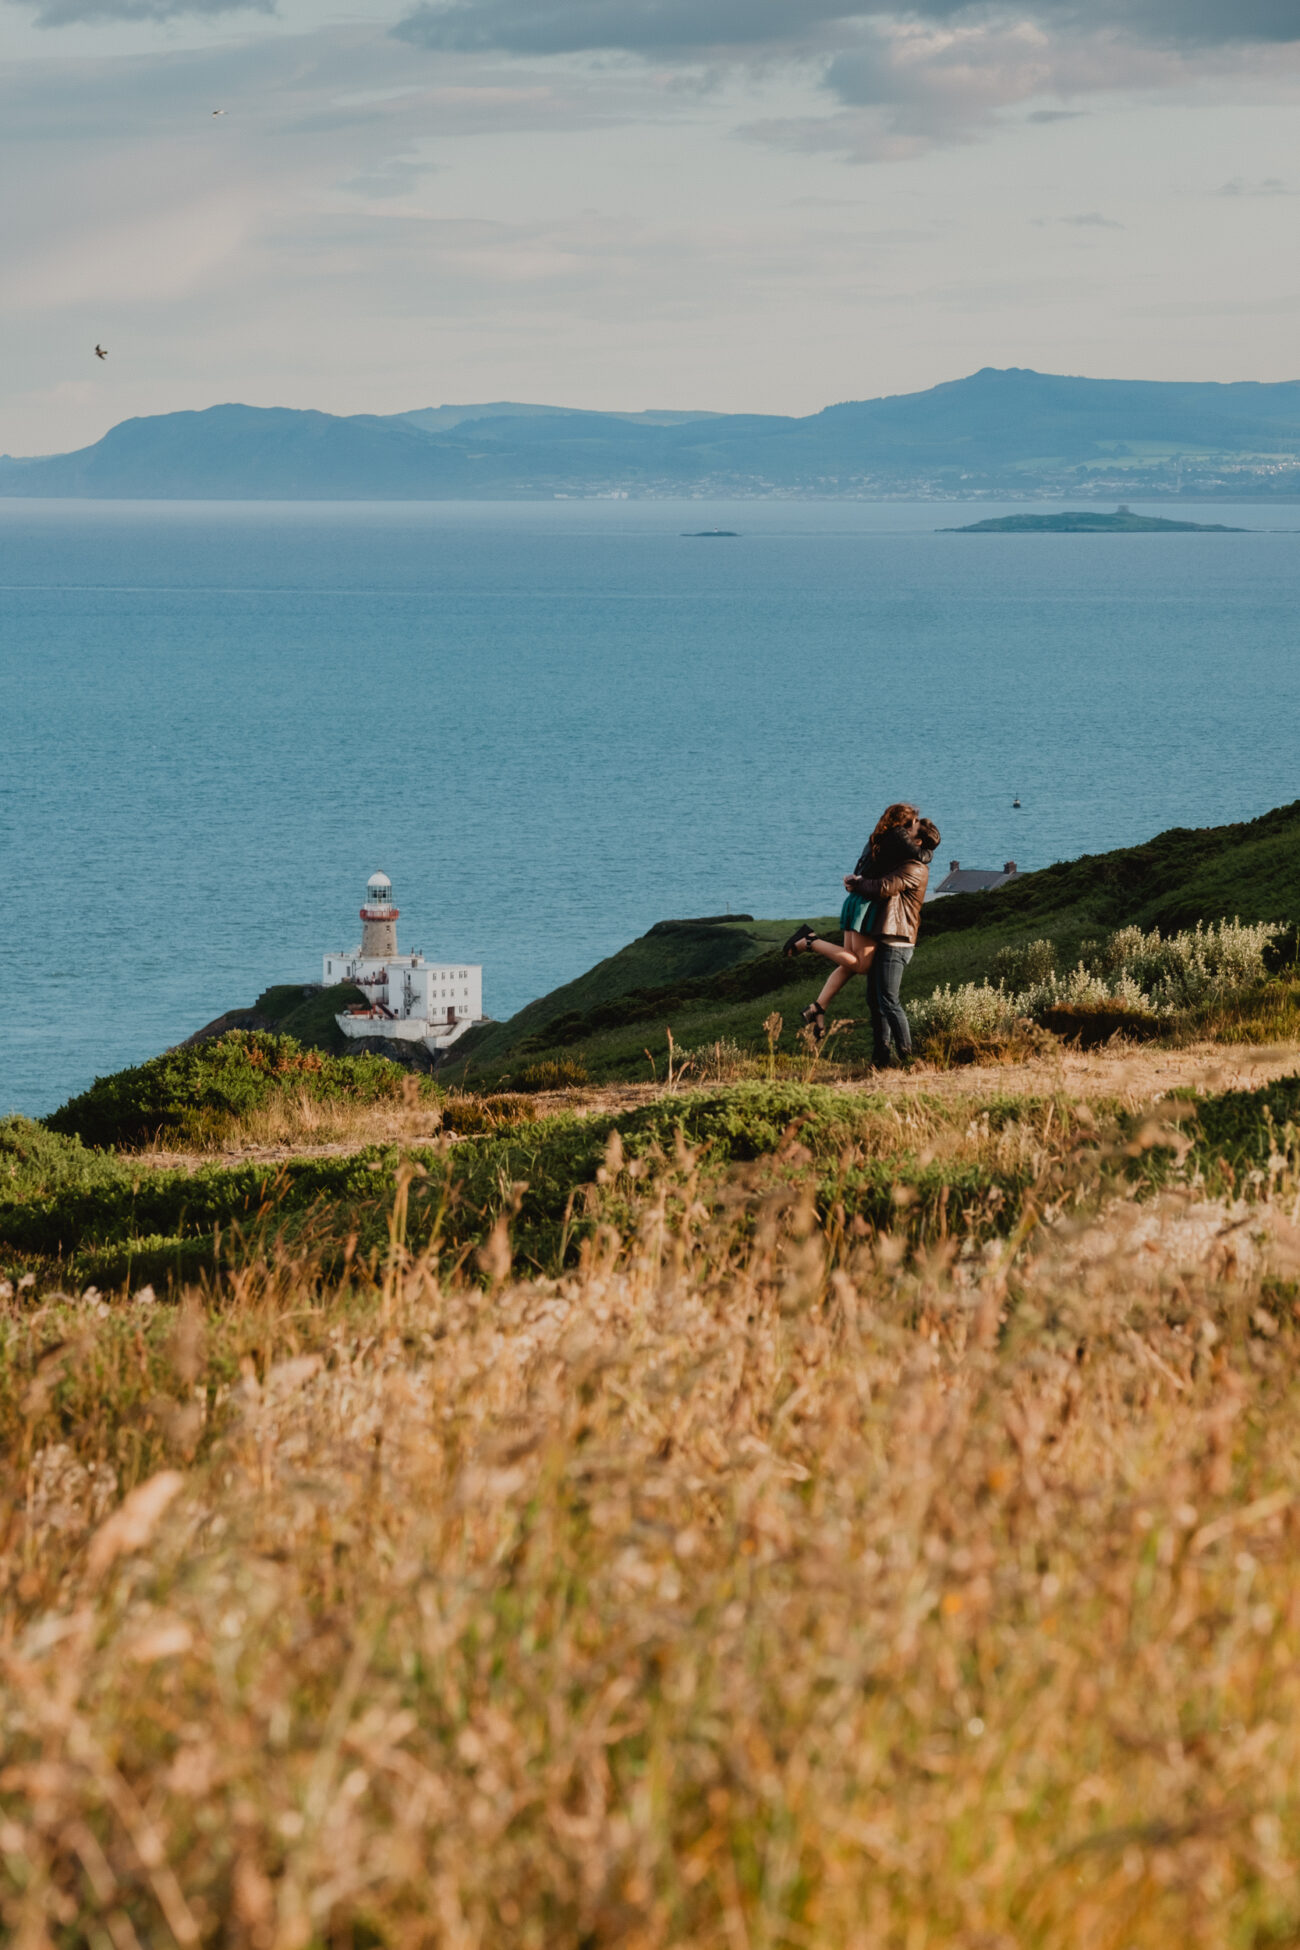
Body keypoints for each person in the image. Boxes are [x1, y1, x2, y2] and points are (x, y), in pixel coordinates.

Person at [783, 804, 936, 1045]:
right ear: (904, 828)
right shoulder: (897, 838)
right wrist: (928, 853)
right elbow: (916, 858)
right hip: (865, 904)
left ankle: (818, 1008)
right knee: (862, 966)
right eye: (913, 824)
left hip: (855, 901)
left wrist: (856, 882)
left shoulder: (877, 838)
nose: (913, 829)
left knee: (849, 962)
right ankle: (810, 941)